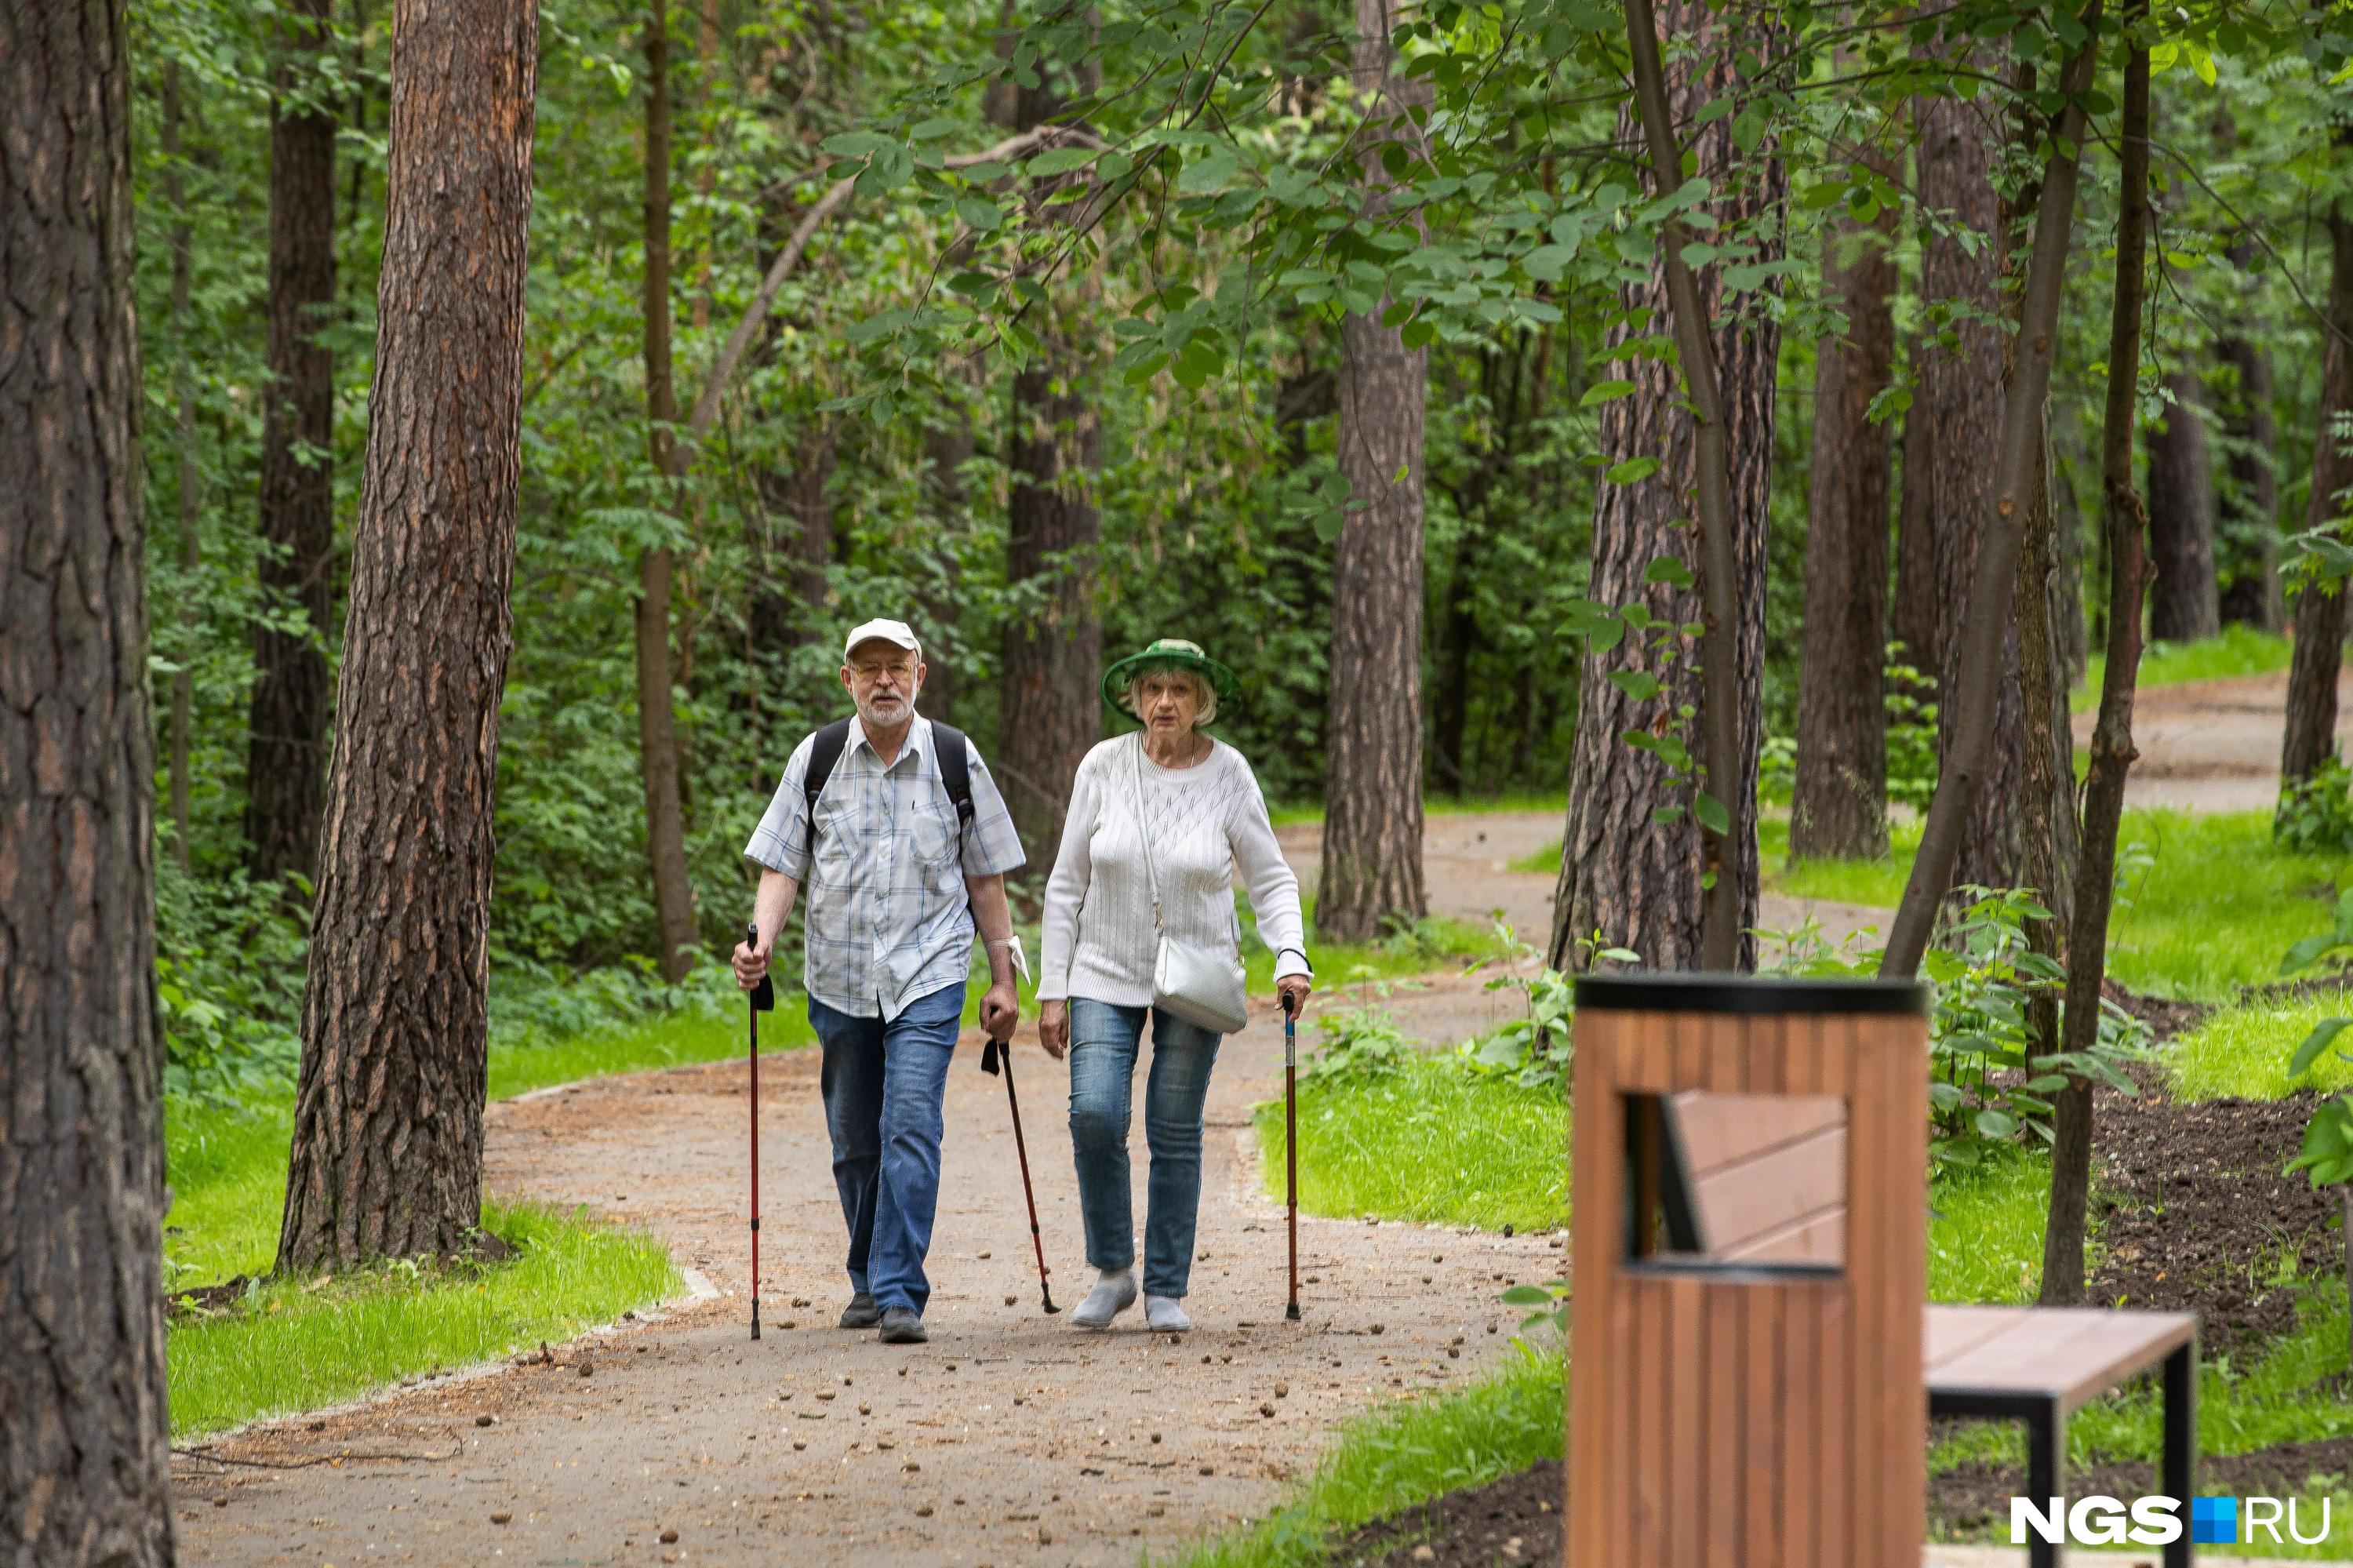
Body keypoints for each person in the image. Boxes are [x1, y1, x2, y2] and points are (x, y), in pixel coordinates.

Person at [734, 618, 1026, 1345]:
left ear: (920, 675)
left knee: (910, 1125)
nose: (884, 681)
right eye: (869, 670)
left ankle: (899, 1289)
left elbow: (984, 875)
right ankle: (867, 1274)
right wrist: (761, 940)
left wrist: (1003, 980)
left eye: (897, 666)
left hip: (929, 972)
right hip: (839, 975)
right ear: (848, 681)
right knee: (854, 1139)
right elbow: (783, 864)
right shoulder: (820, 757)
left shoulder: (955, 758)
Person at [1037, 638, 1313, 1333]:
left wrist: (1290, 954)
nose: (1165, 702)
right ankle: (1114, 1270)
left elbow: (1271, 876)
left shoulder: (1229, 774)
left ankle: (1165, 1285)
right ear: (1134, 698)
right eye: (1153, 688)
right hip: (1103, 967)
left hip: (1197, 973)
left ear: (1203, 703)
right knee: (1095, 1112)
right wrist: (1052, 985)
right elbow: (1067, 883)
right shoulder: (1103, 765)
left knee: (1173, 1124)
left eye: (1181, 691)